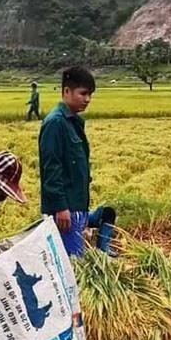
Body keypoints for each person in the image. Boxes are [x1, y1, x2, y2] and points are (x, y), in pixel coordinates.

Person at [38, 66, 115, 257]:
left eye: (90, 94)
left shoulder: (73, 122)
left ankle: (103, 246)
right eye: (83, 93)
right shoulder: (56, 123)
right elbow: (52, 168)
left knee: (76, 257)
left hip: (77, 206)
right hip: (66, 211)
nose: (87, 99)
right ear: (66, 91)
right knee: (73, 263)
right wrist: (60, 207)